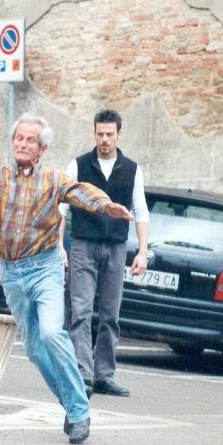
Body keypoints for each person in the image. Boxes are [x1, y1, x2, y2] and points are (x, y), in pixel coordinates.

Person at [0, 113, 134, 445]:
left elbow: (81, 191)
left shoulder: (53, 179)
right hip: (11, 273)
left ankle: (79, 411)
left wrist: (106, 206)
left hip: (45, 267)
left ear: (42, 148)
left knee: (51, 333)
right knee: (34, 348)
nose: (22, 144)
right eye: (18, 138)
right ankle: (73, 404)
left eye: (30, 140)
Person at [61, 109, 150, 397]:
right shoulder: (78, 165)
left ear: (119, 135)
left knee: (111, 314)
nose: (104, 139)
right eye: (100, 134)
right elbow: (61, 207)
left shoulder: (132, 169)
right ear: (94, 133)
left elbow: (140, 210)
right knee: (81, 311)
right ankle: (83, 374)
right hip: (83, 245)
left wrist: (142, 251)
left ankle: (104, 375)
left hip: (116, 247)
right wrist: (58, 246)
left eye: (110, 134)